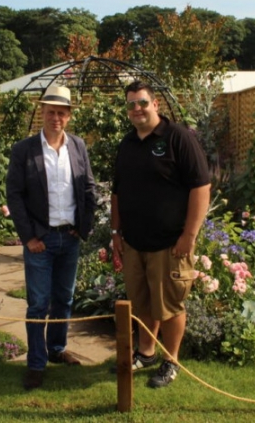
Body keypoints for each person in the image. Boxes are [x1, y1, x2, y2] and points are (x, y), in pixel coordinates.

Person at [111, 80, 211, 388]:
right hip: (134, 243)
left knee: (169, 306)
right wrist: (116, 232)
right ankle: (146, 352)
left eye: (142, 102)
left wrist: (189, 235)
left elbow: (201, 187)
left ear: (156, 104)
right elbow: (117, 192)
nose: (137, 109)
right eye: (131, 104)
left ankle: (171, 361)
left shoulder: (178, 138)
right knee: (141, 304)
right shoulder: (127, 144)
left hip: (170, 244)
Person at [6, 85, 96, 391]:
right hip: (40, 242)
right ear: (42, 113)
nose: (55, 117)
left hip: (69, 239)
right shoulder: (24, 150)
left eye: (61, 112)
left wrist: (83, 228)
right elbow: (15, 196)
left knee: (64, 300)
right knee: (38, 304)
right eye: (50, 112)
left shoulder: (79, 147)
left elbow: (88, 189)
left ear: (69, 116)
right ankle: (36, 363)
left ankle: (57, 350)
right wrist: (29, 237)